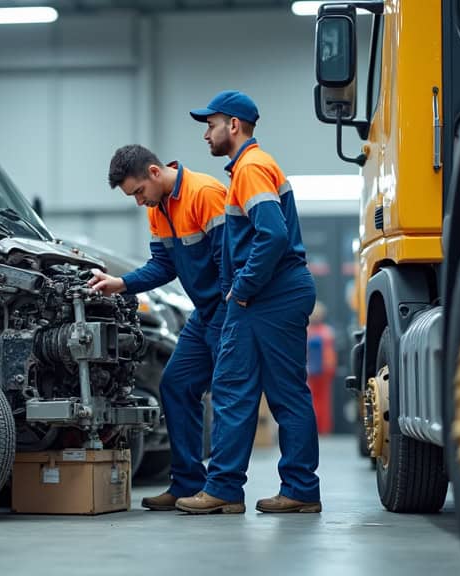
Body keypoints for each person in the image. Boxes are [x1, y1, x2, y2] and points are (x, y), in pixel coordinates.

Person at [175, 90, 321, 514]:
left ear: (233, 126)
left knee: (233, 388)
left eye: (211, 124)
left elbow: (272, 235)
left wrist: (241, 289)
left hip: (266, 295)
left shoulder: (251, 168)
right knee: (286, 393)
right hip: (281, 290)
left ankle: (223, 488)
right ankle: (299, 490)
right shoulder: (253, 166)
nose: (206, 133)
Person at [88, 144, 228, 511]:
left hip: (229, 310)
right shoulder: (158, 209)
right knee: (176, 383)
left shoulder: (204, 193)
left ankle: (226, 490)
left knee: (229, 397)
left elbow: (231, 257)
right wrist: (120, 283)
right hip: (204, 312)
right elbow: (162, 266)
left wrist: (233, 308)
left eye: (138, 192)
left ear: (154, 172)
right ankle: (185, 484)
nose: (138, 202)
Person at [306, 302, 336, 434]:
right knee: (324, 400)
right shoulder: (328, 331)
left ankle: (315, 427)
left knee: (312, 398)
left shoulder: (307, 331)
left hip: (314, 369)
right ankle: (323, 428)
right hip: (325, 369)